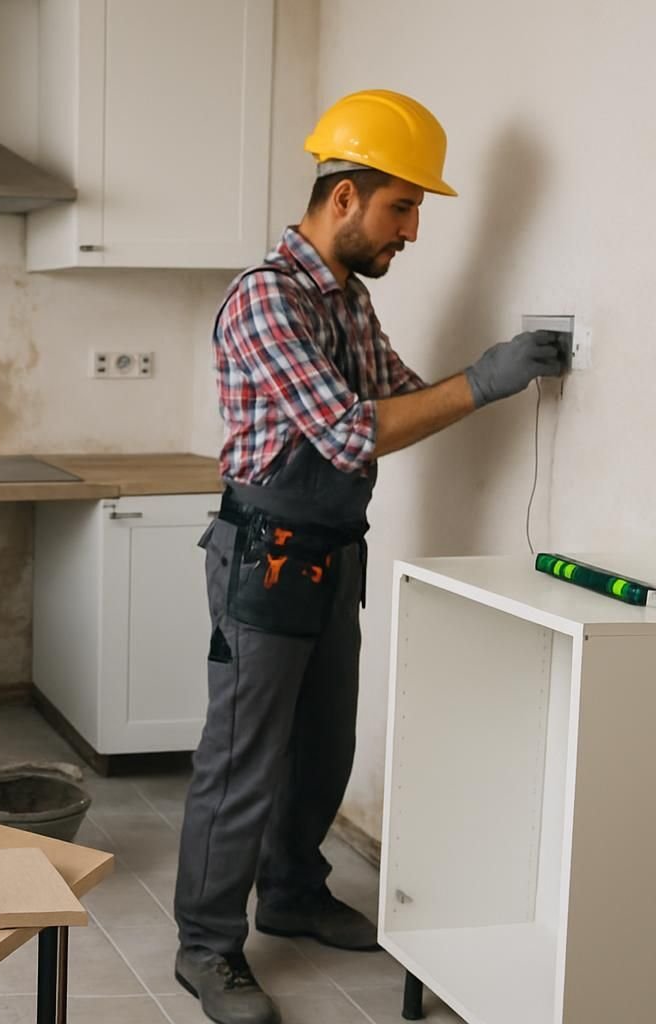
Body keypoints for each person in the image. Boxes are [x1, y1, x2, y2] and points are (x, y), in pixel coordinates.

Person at [172, 90, 566, 1024]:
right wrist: (483, 382)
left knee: (322, 748)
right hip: (262, 558)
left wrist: (486, 380)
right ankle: (206, 945)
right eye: (403, 206)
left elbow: (404, 399)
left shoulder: (345, 302)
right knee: (243, 761)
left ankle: (295, 893)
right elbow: (354, 434)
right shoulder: (267, 298)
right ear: (343, 197)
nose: (415, 230)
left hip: (330, 553)